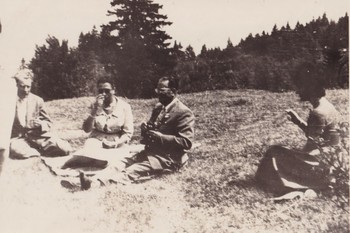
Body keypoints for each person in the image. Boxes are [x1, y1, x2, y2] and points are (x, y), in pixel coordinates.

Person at [62, 76, 195, 190]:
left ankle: (95, 185)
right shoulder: (159, 107)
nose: (158, 93)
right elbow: (153, 130)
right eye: (157, 90)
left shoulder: (183, 112)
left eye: (162, 90)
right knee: (120, 163)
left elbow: (186, 142)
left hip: (168, 158)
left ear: (173, 91)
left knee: (132, 171)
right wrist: (146, 130)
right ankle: (90, 180)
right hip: (151, 152)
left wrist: (161, 137)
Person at [256, 72, 341, 198]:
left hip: (321, 163)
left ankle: (275, 183)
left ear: (310, 89)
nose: (297, 91)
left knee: (273, 151)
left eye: (300, 87)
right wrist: (298, 121)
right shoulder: (328, 106)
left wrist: (296, 158)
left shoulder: (318, 113)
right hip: (333, 158)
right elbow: (317, 135)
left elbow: (312, 144)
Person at [61, 77, 134, 170]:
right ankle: (93, 161)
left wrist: (115, 143)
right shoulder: (94, 106)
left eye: (107, 91)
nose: (103, 94)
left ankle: (93, 162)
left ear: (114, 90)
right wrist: (95, 110)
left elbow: (127, 133)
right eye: (101, 91)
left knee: (116, 160)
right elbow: (86, 129)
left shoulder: (125, 107)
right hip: (97, 139)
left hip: (116, 140)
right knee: (90, 151)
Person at [9, 68, 72, 159]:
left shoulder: (37, 100)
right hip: (18, 138)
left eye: (28, 87)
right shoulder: (9, 101)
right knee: (18, 150)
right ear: (16, 85)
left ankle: (36, 149)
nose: (26, 90)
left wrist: (41, 124)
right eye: (22, 86)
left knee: (65, 149)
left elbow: (48, 122)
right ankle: (35, 151)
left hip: (37, 136)